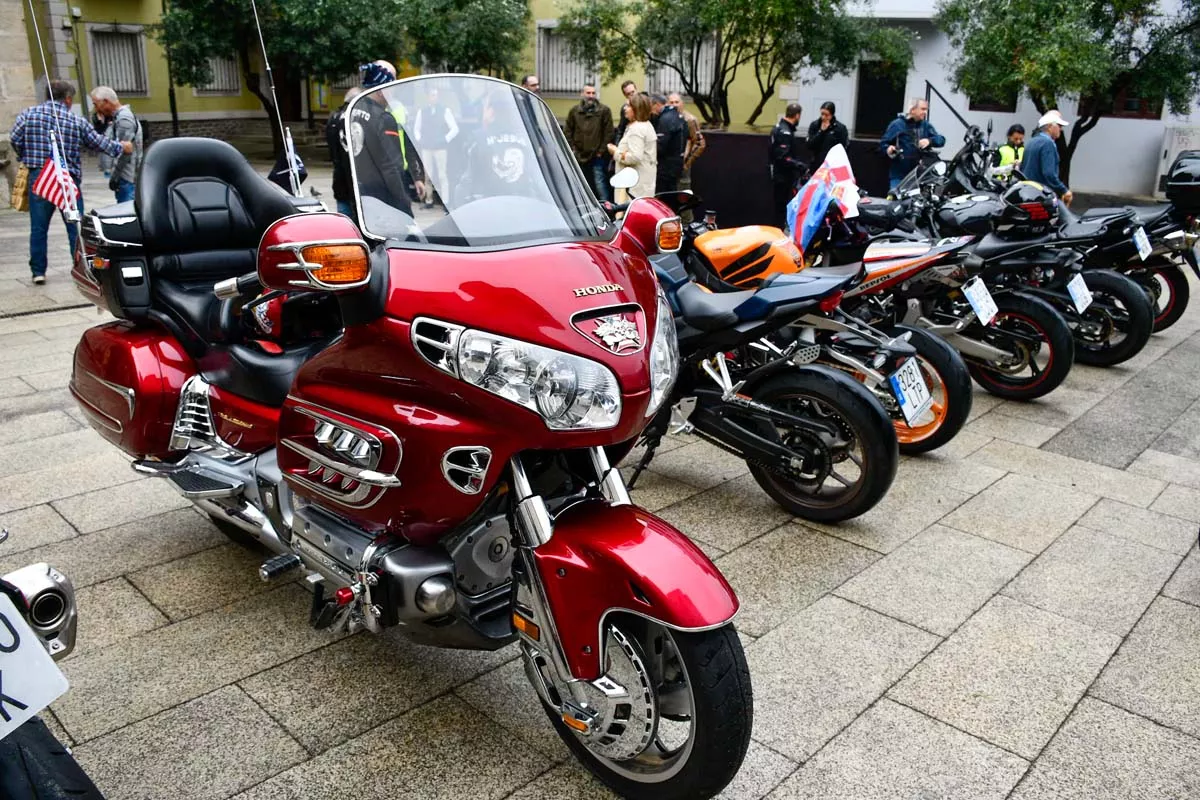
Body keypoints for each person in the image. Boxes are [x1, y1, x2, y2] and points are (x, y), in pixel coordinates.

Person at [10, 79, 132, 285]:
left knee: (39, 227)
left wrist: (27, 157)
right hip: (68, 181)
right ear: (67, 99)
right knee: (74, 227)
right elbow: (98, 143)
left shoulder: (27, 115)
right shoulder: (75, 120)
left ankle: (38, 271)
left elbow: (15, 139)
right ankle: (80, 267)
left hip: (39, 177)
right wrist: (122, 147)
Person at [351, 62, 423, 219]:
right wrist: (404, 204)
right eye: (392, 86)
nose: (394, 92)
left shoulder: (351, 112)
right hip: (383, 198)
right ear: (382, 91)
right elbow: (391, 166)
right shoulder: (383, 118)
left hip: (358, 194)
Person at [879, 98, 945, 192]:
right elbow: (883, 144)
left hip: (919, 176)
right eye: (923, 109)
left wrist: (929, 141)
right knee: (896, 202)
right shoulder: (897, 125)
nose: (925, 112)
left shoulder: (925, 126)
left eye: (926, 109)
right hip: (899, 175)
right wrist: (888, 149)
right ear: (913, 110)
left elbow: (941, 140)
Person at [90, 86, 142, 203]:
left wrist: (115, 177)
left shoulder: (124, 120)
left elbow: (125, 151)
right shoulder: (116, 118)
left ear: (106, 102)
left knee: (127, 214)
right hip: (126, 178)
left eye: (96, 104)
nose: (95, 109)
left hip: (127, 177)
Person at [565, 84, 614, 202]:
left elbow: (608, 133)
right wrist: (573, 148)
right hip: (579, 155)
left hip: (597, 156)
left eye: (593, 93)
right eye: (588, 93)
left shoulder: (604, 111)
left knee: (600, 185)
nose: (591, 96)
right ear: (582, 94)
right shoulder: (574, 111)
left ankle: (607, 209)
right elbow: (568, 131)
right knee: (580, 184)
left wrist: (601, 151)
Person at [414, 86, 459, 208]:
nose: (434, 97)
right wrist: (420, 139)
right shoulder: (422, 111)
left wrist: (445, 139)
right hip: (426, 147)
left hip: (440, 147)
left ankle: (446, 202)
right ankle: (429, 200)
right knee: (428, 175)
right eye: (432, 95)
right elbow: (416, 129)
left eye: (436, 95)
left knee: (442, 175)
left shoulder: (445, 110)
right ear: (428, 97)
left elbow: (454, 129)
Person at [607, 93, 656, 199]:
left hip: (633, 187)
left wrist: (615, 152)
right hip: (642, 183)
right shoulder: (646, 125)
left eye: (628, 106)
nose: (625, 109)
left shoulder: (637, 129)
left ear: (637, 109)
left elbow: (635, 157)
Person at [1021, 110, 1073, 205]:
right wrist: (1064, 190)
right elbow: (1049, 173)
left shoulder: (1032, 141)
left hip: (1028, 194)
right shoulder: (1047, 143)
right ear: (1049, 127)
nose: (1061, 129)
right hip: (1042, 195)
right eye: (1059, 126)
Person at [668, 92, 705, 219]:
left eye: (676, 102)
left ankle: (688, 226)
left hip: (683, 167)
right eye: (671, 102)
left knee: (684, 199)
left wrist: (686, 163)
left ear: (682, 103)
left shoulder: (690, 119)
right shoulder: (668, 118)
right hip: (670, 166)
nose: (674, 105)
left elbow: (700, 143)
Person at [326, 86, 362, 217]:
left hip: (339, 176)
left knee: (344, 218)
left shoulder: (333, 118)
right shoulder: (355, 117)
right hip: (355, 179)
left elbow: (331, 147)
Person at [769, 102, 805, 229]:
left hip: (780, 175)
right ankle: (778, 233)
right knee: (781, 208)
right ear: (797, 116)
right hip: (783, 176)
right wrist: (800, 166)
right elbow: (783, 157)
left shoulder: (779, 127)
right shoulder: (785, 132)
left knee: (780, 207)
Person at [650, 94, 686, 197]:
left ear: (656, 105)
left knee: (664, 197)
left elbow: (660, 146)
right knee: (672, 195)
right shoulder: (679, 116)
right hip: (677, 163)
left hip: (666, 166)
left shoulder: (665, 119)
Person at [806, 101, 848, 171]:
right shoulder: (815, 125)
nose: (823, 117)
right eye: (822, 114)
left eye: (826, 115)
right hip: (817, 163)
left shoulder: (840, 128)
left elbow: (844, 147)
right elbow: (809, 144)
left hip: (832, 164)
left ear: (831, 115)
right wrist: (821, 131)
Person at [612, 81, 639, 156]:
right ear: (625, 95)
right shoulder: (625, 108)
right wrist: (617, 146)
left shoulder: (644, 104)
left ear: (637, 90)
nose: (632, 95)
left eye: (633, 92)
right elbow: (621, 128)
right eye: (629, 94)